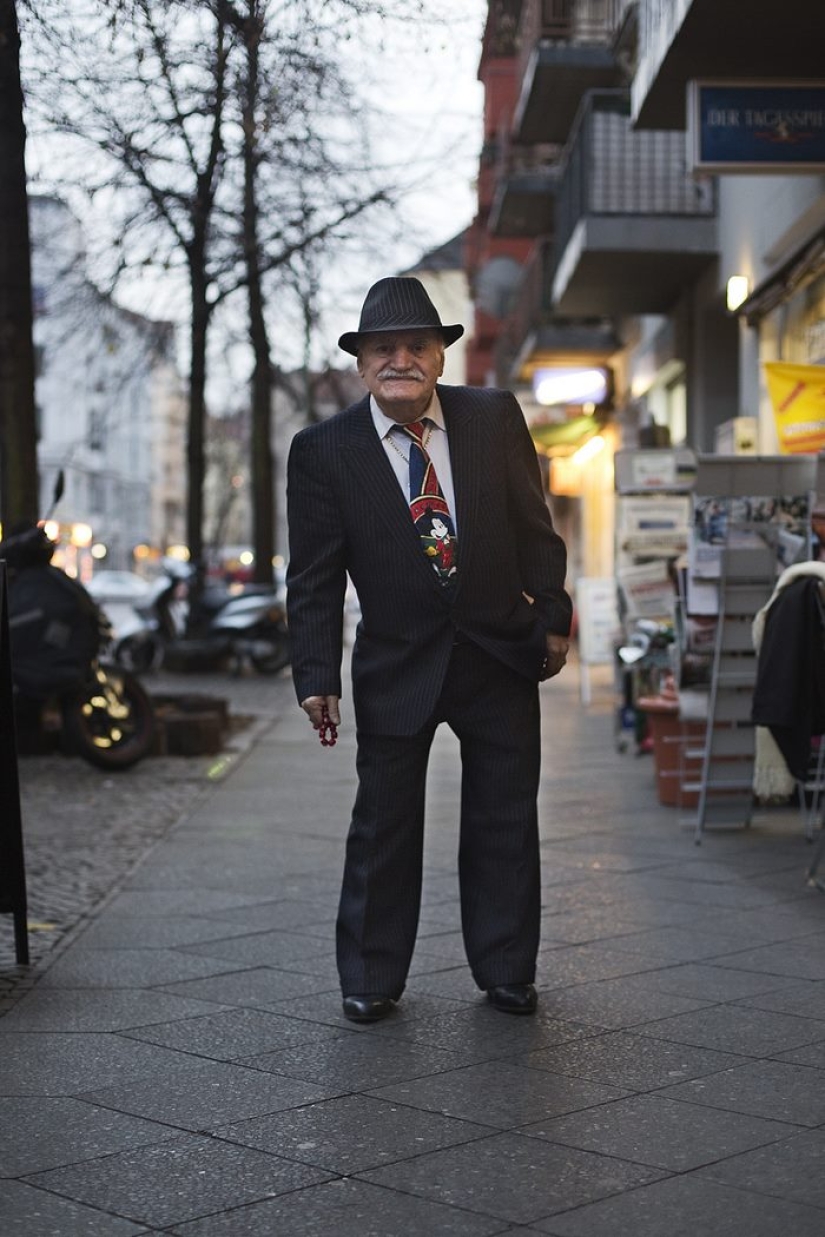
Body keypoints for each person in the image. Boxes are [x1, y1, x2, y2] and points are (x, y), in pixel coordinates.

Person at [286, 277, 571, 1023]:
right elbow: (312, 577)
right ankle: (371, 976)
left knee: (504, 819)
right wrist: (315, 673)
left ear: (441, 357)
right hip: (395, 663)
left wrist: (555, 616)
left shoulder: (492, 417)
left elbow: (535, 528)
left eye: (417, 345)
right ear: (362, 363)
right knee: (382, 825)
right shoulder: (322, 451)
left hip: (499, 654)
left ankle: (507, 969)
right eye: (384, 348)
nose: (400, 359)